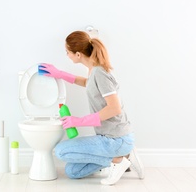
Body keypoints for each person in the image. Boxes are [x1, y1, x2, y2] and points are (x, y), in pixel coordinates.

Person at [40, 30, 144, 186]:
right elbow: (87, 83)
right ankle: (118, 158)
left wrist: (78, 121)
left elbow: (114, 108)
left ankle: (122, 158)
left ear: (78, 54)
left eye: (67, 52)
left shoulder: (100, 73)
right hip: (108, 137)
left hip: (116, 139)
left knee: (61, 151)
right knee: (73, 172)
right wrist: (59, 74)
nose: (66, 55)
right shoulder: (93, 70)